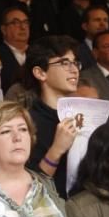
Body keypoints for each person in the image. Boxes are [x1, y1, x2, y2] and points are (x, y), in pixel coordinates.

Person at [24, 35, 82, 198]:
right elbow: (31, 189)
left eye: (75, 62)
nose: (74, 69)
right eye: (64, 63)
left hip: (86, 210)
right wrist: (57, 149)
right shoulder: (27, 123)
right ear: (40, 73)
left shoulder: (84, 115)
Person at [0, 5, 31, 92]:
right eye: (16, 23)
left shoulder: (38, 53)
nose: (23, 27)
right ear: (4, 29)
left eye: (25, 22)